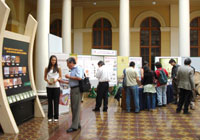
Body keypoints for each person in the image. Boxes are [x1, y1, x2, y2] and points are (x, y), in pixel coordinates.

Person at [65, 57, 84, 133]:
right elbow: (72, 80)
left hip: (76, 89)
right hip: (74, 89)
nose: (67, 66)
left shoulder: (77, 68)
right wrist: (63, 81)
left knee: (75, 107)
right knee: (75, 107)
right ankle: (77, 124)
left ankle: (74, 126)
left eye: (68, 64)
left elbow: (79, 78)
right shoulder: (73, 70)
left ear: (72, 63)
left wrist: (69, 77)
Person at [44, 55, 61, 122]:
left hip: (56, 87)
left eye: (54, 60)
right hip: (49, 87)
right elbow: (45, 77)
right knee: (50, 102)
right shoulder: (46, 68)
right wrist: (48, 81)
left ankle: (56, 116)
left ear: (56, 61)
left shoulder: (58, 68)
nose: (53, 61)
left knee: (56, 102)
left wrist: (56, 80)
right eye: (52, 60)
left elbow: (60, 77)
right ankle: (50, 116)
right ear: (50, 60)